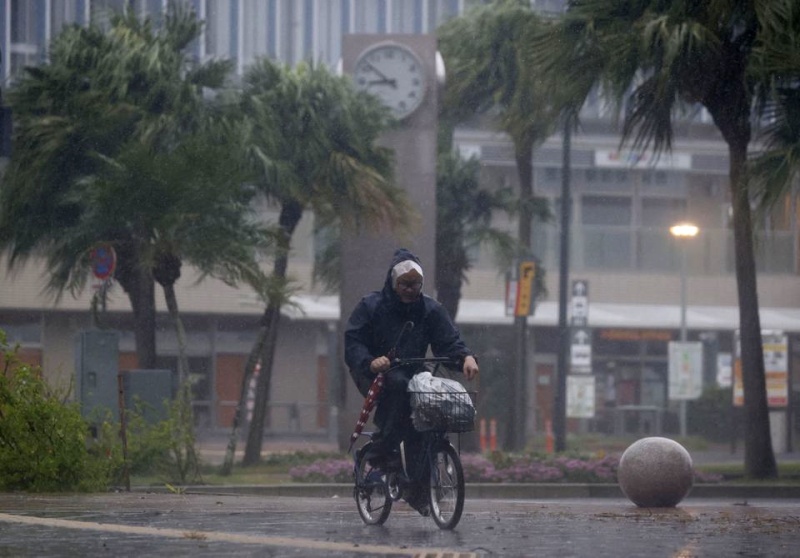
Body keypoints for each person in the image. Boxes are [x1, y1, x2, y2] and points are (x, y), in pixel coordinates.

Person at [344, 248, 479, 515]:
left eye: (415, 285)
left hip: (415, 373)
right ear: (393, 284)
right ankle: (383, 449)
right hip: (375, 373)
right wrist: (371, 362)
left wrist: (465, 358)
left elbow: (449, 340)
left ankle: (417, 483)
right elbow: (353, 342)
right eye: (404, 284)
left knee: (429, 410)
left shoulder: (431, 309)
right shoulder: (370, 306)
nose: (409, 290)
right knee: (396, 387)